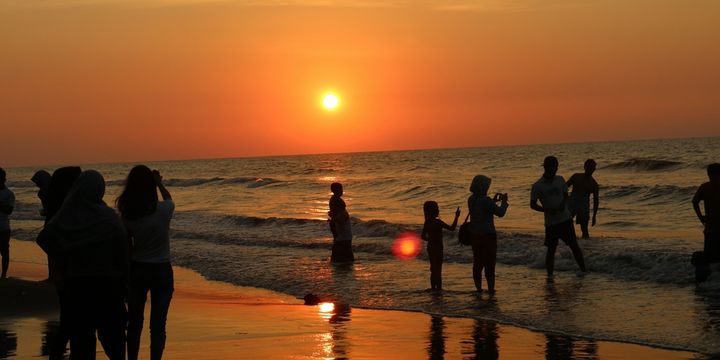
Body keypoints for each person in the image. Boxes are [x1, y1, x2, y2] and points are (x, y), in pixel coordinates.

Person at [36, 170, 128, 360]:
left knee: (82, 344)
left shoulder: (67, 214)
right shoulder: (109, 218)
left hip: (77, 286)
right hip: (107, 287)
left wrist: (63, 260)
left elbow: (44, 238)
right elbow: (122, 255)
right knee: (114, 344)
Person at [117, 166, 175, 360]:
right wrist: (159, 183)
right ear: (151, 186)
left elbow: (126, 247)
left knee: (135, 322)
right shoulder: (163, 210)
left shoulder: (128, 214)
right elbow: (170, 199)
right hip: (161, 269)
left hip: (138, 268)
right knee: (158, 324)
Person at [37, 166, 82, 359]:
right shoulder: (73, 208)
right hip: (78, 274)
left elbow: (44, 238)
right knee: (78, 324)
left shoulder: (60, 205)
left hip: (68, 276)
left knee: (68, 322)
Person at [530, 156, 587, 276]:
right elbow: (532, 204)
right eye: (552, 167)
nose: (554, 170)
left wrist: (563, 204)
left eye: (556, 167)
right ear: (546, 167)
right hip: (551, 223)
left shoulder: (560, 179)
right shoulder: (538, 185)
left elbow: (566, 195)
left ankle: (584, 271)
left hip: (565, 219)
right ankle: (549, 277)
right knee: (551, 250)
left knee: (574, 246)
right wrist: (546, 210)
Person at [467, 175, 508, 293]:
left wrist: (493, 201)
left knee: (478, 263)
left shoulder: (471, 199)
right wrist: (504, 202)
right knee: (489, 264)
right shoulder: (485, 200)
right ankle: (491, 290)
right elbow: (500, 213)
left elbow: (482, 208)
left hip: (475, 236)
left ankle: (479, 289)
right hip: (488, 236)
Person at [421, 201, 460, 291]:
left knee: (433, 269)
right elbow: (452, 228)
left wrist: (430, 239)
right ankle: (439, 289)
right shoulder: (438, 222)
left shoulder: (427, 222)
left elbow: (422, 236)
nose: (438, 210)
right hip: (438, 248)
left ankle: (433, 288)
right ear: (434, 211)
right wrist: (456, 217)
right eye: (437, 209)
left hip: (430, 248)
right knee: (438, 270)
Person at [692, 163, 720, 274]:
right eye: (713, 175)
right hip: (711, 227)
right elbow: (695, 202)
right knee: (709, 255)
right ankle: (708, 280)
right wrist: (701, 218)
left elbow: (695, 202)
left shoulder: (705, 187)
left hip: (711, 227)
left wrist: (701, 218)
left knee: (710, 255)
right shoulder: (704, 187)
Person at [566, 159, 599, 239]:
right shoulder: (576, 176)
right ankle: (569, 243)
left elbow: (596, 201)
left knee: (584, 230)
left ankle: (586, 247)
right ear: (584, 167)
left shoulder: (594, 184)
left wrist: (594, 216)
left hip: (584, 207)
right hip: (572, 203)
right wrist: (565, 198)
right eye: (588, 166)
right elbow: (564, 187)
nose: (590, 169)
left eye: (592, 167)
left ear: (594, 169)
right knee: (566, 225)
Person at [328, 182, 354, 263]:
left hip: (340, 229)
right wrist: (338, 219)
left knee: (338, 246)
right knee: (345, 249)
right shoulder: (336, 201)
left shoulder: (334, 200)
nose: (342, 191)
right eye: (341, 189)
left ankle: (337, 262)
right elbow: (338, 217)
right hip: (342, 230)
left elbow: (335, 216)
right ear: (336, 190)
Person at [0, 168, 16, 279]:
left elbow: (9, 210)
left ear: (3, 179)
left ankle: (4, 274)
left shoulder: (9, 194)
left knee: (4, 251)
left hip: (3, 227)